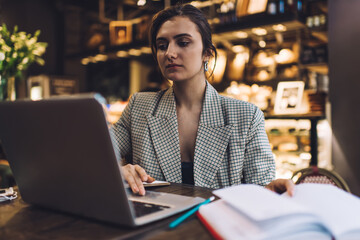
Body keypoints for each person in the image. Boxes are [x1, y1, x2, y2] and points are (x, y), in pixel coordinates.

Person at [112, 4, 294, 196]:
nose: (169, 53)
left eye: (182, 42)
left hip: (220, 223)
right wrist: (118, 171)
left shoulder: (246, 116)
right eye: (162, 46)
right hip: (155, 223)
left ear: (207, 52)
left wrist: (270, 190)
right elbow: (92, 157)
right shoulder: (139, 107)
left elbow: (260, 186)